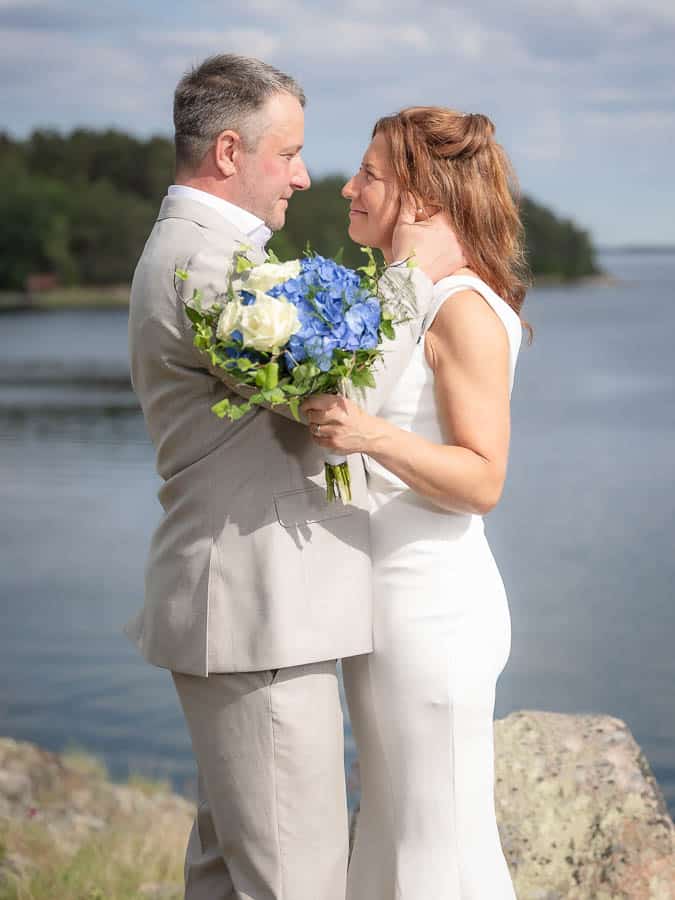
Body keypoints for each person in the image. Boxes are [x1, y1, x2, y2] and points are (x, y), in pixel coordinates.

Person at [123, 57, 460, 900]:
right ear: (230, 151)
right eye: (290, 153)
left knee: (229, 871)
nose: (306, 178)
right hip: (256, 606)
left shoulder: (212, 253)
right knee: (295, 880)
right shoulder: (206, 268)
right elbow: (338, 406)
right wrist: (411, 276)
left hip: (251, 607)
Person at [301, 106, 528, 898]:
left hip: (433, 613)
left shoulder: (461, 309)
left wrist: (366, 435)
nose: (346, 187)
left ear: (423, 197)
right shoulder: (408, 297)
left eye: (369, 175)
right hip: (384, 608)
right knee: (393, 843)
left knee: (441, 849)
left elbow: (482, 480)